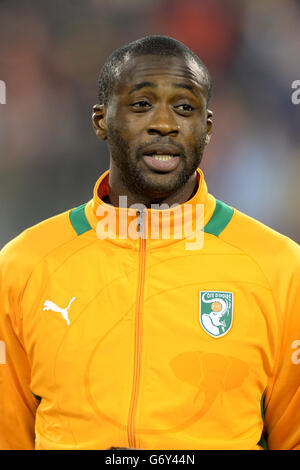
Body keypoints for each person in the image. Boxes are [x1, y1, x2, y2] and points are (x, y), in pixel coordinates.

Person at [0, 35, 299, 451]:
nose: (164, 123)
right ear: (100, 121)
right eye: (141, 105)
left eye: (185, 108)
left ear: (207, 128)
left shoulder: (281, 268)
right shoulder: (23, 265)